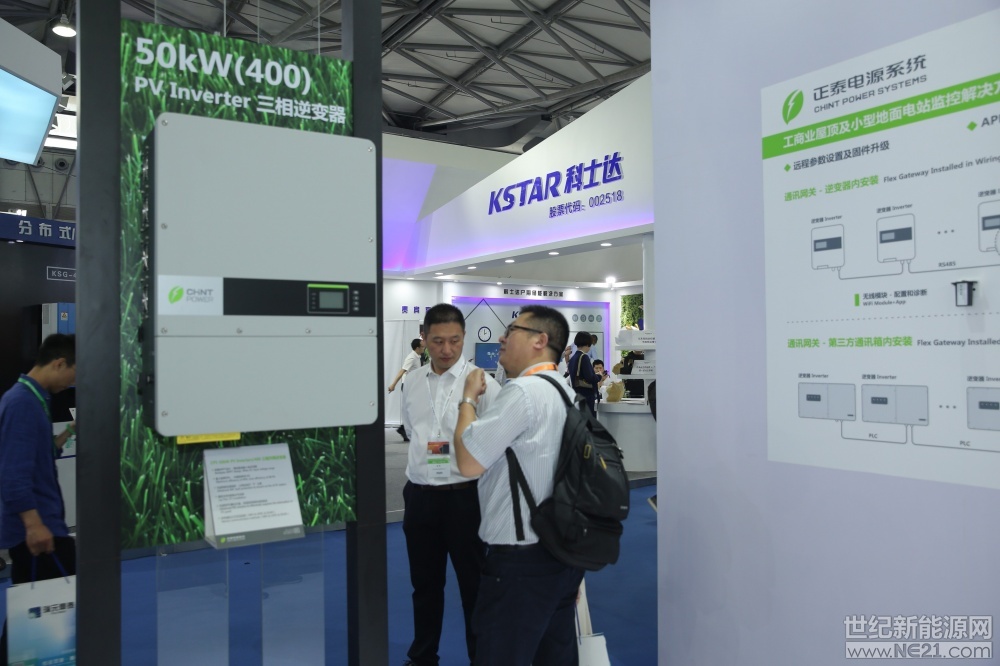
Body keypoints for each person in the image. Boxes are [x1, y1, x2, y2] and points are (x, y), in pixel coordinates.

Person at [452, 305, 584, 666]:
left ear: (540, 340)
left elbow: (468, 462)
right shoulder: (564, 391)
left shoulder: (524, 392)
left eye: (512, 330)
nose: (502, 337)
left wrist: (468, 400)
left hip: (520, 559)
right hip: (561, 551)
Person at [400, 305, 501, 666]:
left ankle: (482, 658)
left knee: (475, 585)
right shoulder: (413, 381)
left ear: (464, 338)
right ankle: (423, 656)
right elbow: (411, 429)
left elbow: (496, 442)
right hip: (420, 496)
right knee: (424, 585)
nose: (446, 349)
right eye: (438, 341)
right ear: (424, 338)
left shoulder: (482, 383)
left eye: (455, 341)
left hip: (466, 498)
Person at [0, 334, 78, 663]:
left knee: (33, 612)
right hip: (38, 532)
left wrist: (71, 431)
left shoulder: (33, 399)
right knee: (38, 611)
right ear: (59, 363)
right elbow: (13, 475)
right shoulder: (22, 403)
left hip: (45, 525)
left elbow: (42, 454)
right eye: (74, 373)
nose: (72, 383)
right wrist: (34, 526)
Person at [389, 338, 426, 441]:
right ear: (417, 348)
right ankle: (404, 429)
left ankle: (404, 429)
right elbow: (402, 371)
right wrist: (393, 385)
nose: (424, 348)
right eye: (422, 347)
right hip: (408, 386)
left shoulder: (418, 357)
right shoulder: (411, 358)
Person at [568, 331, 600, 415]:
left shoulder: (573, 358)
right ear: (588, 344)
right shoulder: (584, 357)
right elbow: (590, 377)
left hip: (577, 395)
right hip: (586, 396)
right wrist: (599, 376)